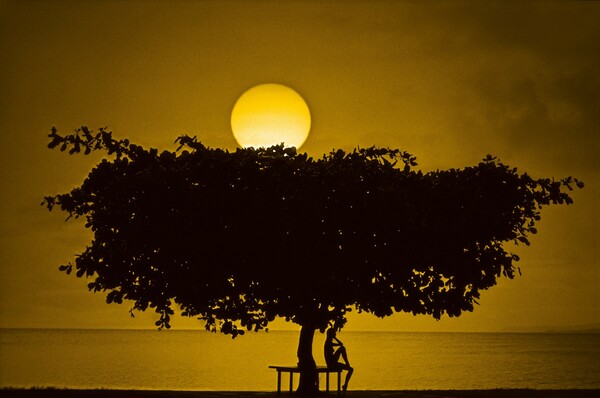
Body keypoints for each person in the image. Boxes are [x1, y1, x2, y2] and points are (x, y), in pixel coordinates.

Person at [324, 327, 354, 392]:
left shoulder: (328, 342)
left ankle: (345, 385)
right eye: (334, 333)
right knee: (342, 348)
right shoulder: (328, 342)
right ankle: (345, 385)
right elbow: (341, 344)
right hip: (332, 364)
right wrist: (334, 337)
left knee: (351, 369)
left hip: (333, 363)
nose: (335, 334)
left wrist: (334, 338)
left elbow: (340, 343)